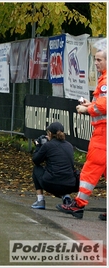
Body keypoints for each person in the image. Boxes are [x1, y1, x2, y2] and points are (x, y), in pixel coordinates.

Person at [57, 48, 107, 220]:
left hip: (103, 134)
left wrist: (86, 109)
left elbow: (103, 106)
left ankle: (78, 205)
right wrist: (91, 104)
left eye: (99, 59)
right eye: (95, 59)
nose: (96, 62)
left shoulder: (106, 80)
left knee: (90, 169)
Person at [30, 122, 79, 210]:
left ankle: (40, 200)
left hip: (52, 184)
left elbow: (36, 160)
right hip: (70, 185)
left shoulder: (47, 146)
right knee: (62, 175)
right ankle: (66, 197)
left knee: (37, 169)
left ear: (50, 134)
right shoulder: (69, 146)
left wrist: (38, 146)